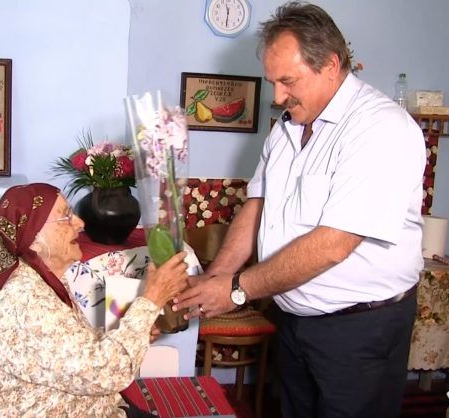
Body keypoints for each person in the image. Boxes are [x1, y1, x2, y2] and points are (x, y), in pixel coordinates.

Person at [173, 2, 426, 417]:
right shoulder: (287, 129)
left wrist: (236, 289)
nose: (277, 96)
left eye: (288, 81)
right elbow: (257, 205)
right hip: (294, 320)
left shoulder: (380, 128)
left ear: (331, 65)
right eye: (273, 82)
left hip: (358, 331)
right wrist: (217, 276)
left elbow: (333, 244)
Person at [0, 183, 188, 417]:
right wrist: (152, 299)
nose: (80, 223)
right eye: (66, 217)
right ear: (33, 238)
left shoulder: (39, 279)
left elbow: (72, 350)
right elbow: (106, 374)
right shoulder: (22, 298)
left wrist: (133, 331)